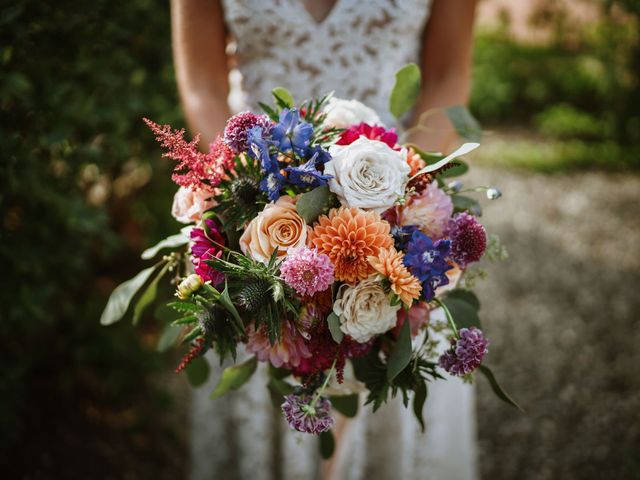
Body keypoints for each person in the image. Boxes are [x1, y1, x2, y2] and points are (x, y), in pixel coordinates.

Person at [171, 1, 478, 479]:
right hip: (252, 211)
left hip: (396, 210)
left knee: (389, 384)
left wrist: (399, 202)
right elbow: (203, 84)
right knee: (269, 354)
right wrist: (244, 207)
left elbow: (445, 79)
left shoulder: (401, 215)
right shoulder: (249, 213)